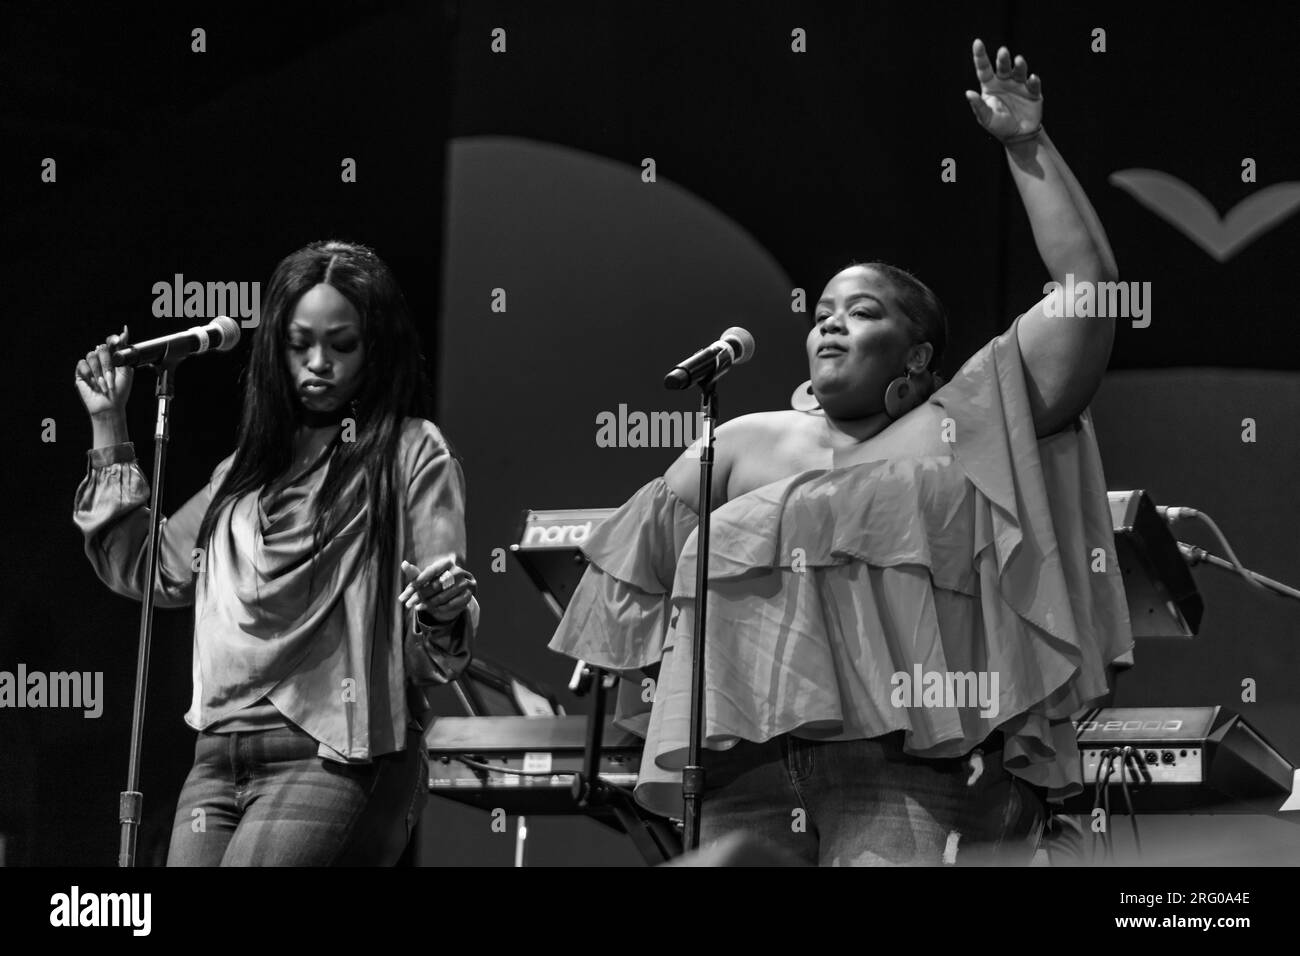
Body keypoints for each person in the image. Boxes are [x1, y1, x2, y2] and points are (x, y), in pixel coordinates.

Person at [549, 39, 1134, 865]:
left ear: (919, 357)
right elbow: (615, 590)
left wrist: (1025, 144)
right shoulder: (739, 445)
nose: (829, 322)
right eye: (822, 309)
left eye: (861, 312)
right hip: (736, 780)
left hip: (907, 774)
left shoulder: (965, 425)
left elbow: (1090, 292)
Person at [73, 240, 478, 866]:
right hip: (217, 757)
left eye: (343, 345)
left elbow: (435, 619)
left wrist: (441, 611)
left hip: (336, 753)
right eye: (299, 343)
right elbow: (146, 568)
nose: (319, 363)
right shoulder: (242, 474)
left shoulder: (410, 451)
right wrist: (109, 423)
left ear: (378, 351)